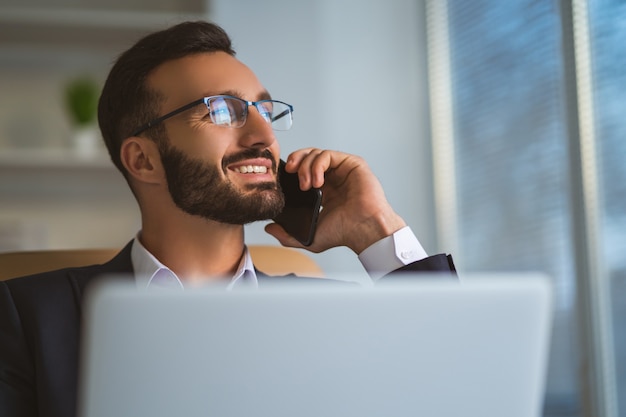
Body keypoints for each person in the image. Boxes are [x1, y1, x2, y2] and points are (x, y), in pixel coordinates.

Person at [0, 21, 455, 417]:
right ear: (143, 160)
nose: (264, 136)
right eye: (221, 110)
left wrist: (375, 229)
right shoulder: (26, 316)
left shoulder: (328, 314)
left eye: (264, 110)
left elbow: (461, 388)